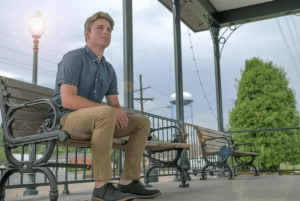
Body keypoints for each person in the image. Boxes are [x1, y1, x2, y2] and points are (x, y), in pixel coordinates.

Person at [48, 11, 161, 201]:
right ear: (87, 34)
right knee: (106, 113)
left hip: (98, 120)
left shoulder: (108, 69)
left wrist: (117, 111)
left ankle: (128, 182)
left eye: (109, 29)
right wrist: (108, 111)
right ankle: (101, 187)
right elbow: (67, 99)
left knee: (141, 122)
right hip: (66, 118)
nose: (105, 32)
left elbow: (114, 104)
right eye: (99, 28)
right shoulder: (74, 58)